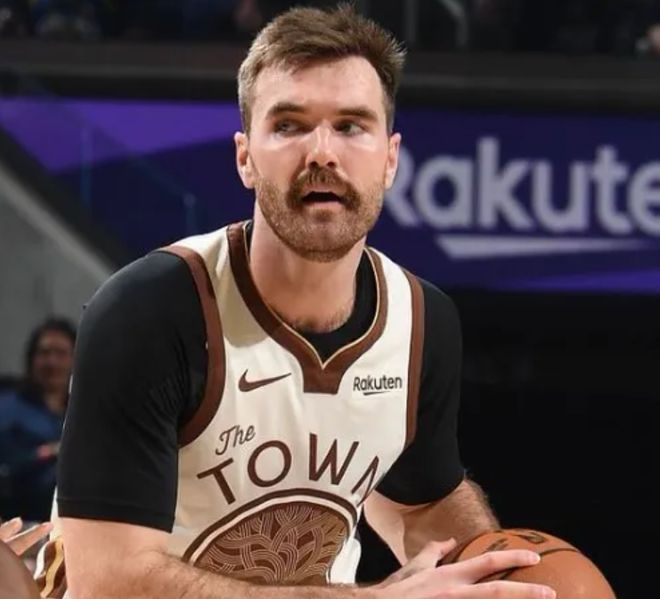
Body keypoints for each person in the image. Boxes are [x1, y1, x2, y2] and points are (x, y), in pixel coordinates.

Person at [37, 5, 556, 599]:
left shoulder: (420, 321)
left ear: (390, 159)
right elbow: (109, 582)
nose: (322, 153)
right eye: (289, 125)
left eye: (351, 126)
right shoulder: (150, 311)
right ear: (244, 157)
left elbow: (421, 505)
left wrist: (500, 571)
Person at [0, 318, 75, 522]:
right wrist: (47, 453)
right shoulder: (7, 408)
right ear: (32, 359)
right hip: (20, 522)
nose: (52, 362)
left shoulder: (85, 412)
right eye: (44, 353)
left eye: (61, 354)